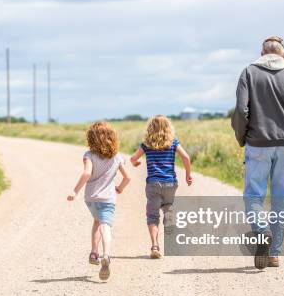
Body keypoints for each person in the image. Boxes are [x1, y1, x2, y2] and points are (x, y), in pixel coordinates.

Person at [231, 36, 284, 269]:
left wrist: (242, 138)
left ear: (261, 53)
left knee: (254, 196)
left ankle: (262, 231)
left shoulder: (248, 73)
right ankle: (274, 254)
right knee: (281, 199)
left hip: (257, 144)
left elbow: (241, 109)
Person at [67, 121, 130, 280]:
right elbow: (127, 177)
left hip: (91, 198)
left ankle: (94, 253)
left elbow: (87, 173)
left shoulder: (89, 155)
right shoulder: (117, 157)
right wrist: (120, 188)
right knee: (105, 225)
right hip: (108, 199)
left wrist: (75, 191)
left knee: (96, 221)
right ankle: (106, 255)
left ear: (91, 138)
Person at [130, 115, 192, 259]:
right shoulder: (173, 143)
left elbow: (133, 159)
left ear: (150, 128)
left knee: (152, 216)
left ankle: (155, 246)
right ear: (168, 128)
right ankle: (169, 218)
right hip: (170, 182)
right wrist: (188, 175)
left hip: (153, 184)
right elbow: (186, 157)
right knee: (168, 204)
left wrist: (136, 163)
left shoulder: (146, 144)